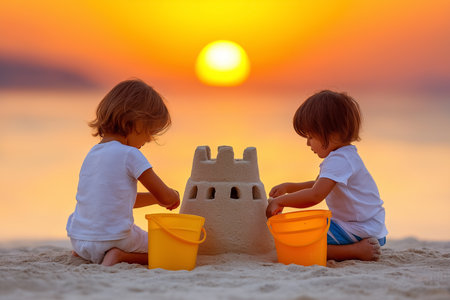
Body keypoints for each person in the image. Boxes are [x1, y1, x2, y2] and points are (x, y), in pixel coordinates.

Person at [66, 79, 180, 266]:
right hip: (113, 239)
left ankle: (88, 253)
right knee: (168, 248)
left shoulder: (92, 154)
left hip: (79, 240)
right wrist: (174, 195)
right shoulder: (131, 154)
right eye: (150, 131)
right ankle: (120, 255)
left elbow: (117, 201)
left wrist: (153, 199)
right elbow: (166, 197)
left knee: (99, 236)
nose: (150, 139)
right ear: (135, 122)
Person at [266, 90, 387, 261]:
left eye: (310, 136)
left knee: (301, 242)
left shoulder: (339, 160)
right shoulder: (345, 155)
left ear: (331, 134)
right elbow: (316, 185)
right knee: (305, 234)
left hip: (357, 228)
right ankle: (358, 246)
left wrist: (280, 201)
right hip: (370, 226)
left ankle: (357, 251)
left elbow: (315, 195)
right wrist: (289, 187)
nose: (308, 143)